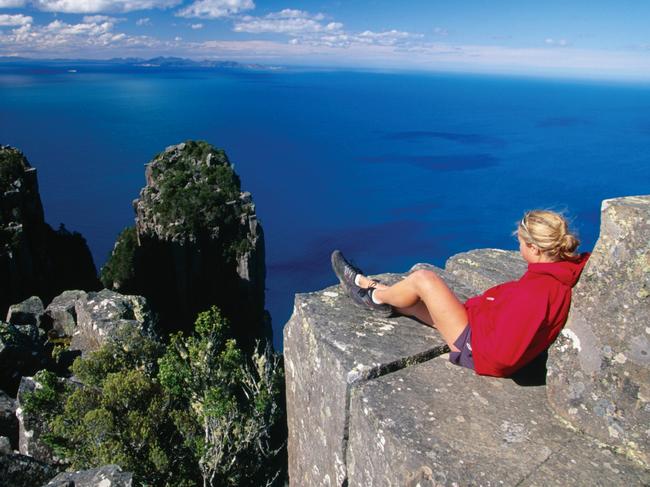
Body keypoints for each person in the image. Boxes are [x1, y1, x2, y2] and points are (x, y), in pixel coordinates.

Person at [331, 210, 590, 377]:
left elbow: (503, 358)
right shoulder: (561, 271)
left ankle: (370, 295)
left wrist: (474, 342)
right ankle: (380, 291)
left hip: (475, 346)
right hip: (479, 325)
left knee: (424, 279)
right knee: (413, 300)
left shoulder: (536, 293)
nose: (519, 248)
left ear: (534, 248)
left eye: (521, 243)